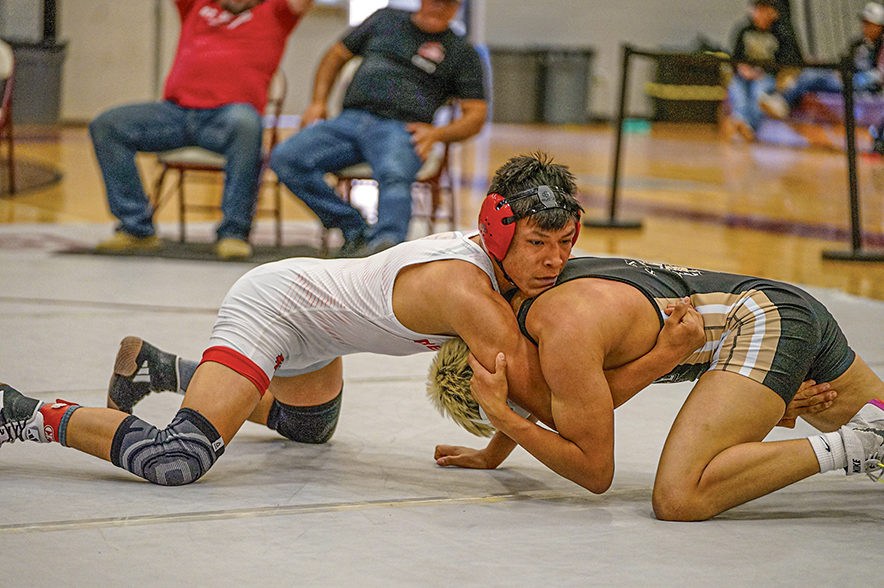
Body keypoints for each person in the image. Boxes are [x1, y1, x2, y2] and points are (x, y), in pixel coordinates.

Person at [4, 153, 688, 487]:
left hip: (320, 336)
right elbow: (548, 403)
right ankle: (24, 410)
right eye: (539, 244)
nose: (555, 261)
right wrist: (665, 359)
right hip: (275, 309)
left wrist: (491, 449)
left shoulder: (512, 269)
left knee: (309, 430)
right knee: (176, 460)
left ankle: (161, 368)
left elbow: (533, 392)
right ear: (498, 232)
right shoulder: (468, 293)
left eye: (566, 243)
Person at [429, 256, 884, 521]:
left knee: (679, 496)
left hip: (762, 324)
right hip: (781, 305)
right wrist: (492, 453)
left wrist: (505, 417)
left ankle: (853, 446)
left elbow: (592, 467)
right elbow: (536, 391)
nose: (530, 404)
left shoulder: (563, 332)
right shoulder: (522, 303)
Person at [89, 0, 312, 261]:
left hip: (228, 118)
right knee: (107, 125)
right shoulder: (197, 5)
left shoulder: (277, 11)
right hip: (176, 113)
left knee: (247, 125)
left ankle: (233, 233)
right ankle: (136, 228)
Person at [269, 0, 488, 258]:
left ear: (456, 7)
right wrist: (318, 102)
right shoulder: (385, 19)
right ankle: (353, 228)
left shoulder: (462, 52)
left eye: (446, 3)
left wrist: (438, 134)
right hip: (350, 119)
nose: (437, 6)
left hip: (402, 128)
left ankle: (386, 250)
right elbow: (335, 55)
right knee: (286, 158)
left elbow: (476, 114)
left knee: (394, 173)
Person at [759, 2, 884, 121]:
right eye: (864, 22)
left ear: (879, 27)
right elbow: (844, 62)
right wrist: (833, 69)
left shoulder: (880, 47)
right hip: (846, 80)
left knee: (812, 76)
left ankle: (783, 102)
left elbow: (878, 76)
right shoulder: (858, 44)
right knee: (811, 73)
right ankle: (780, 100)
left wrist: (852, 79)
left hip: (861, 87)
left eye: (869, 23)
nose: (864, 27)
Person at [724, 0, 803, 141]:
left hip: (766, 76)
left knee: (758, 92)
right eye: (758, 10)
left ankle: (748, 126)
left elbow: (786, 62)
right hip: (744, 75)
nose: (760, 14)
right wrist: (742, 68)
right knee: (737, 89)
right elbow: (735, 58)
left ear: (773, 13)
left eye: (765, 10)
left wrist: (763, 72)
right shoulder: (744, 31)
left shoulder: (781, 33)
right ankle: (740, 122)